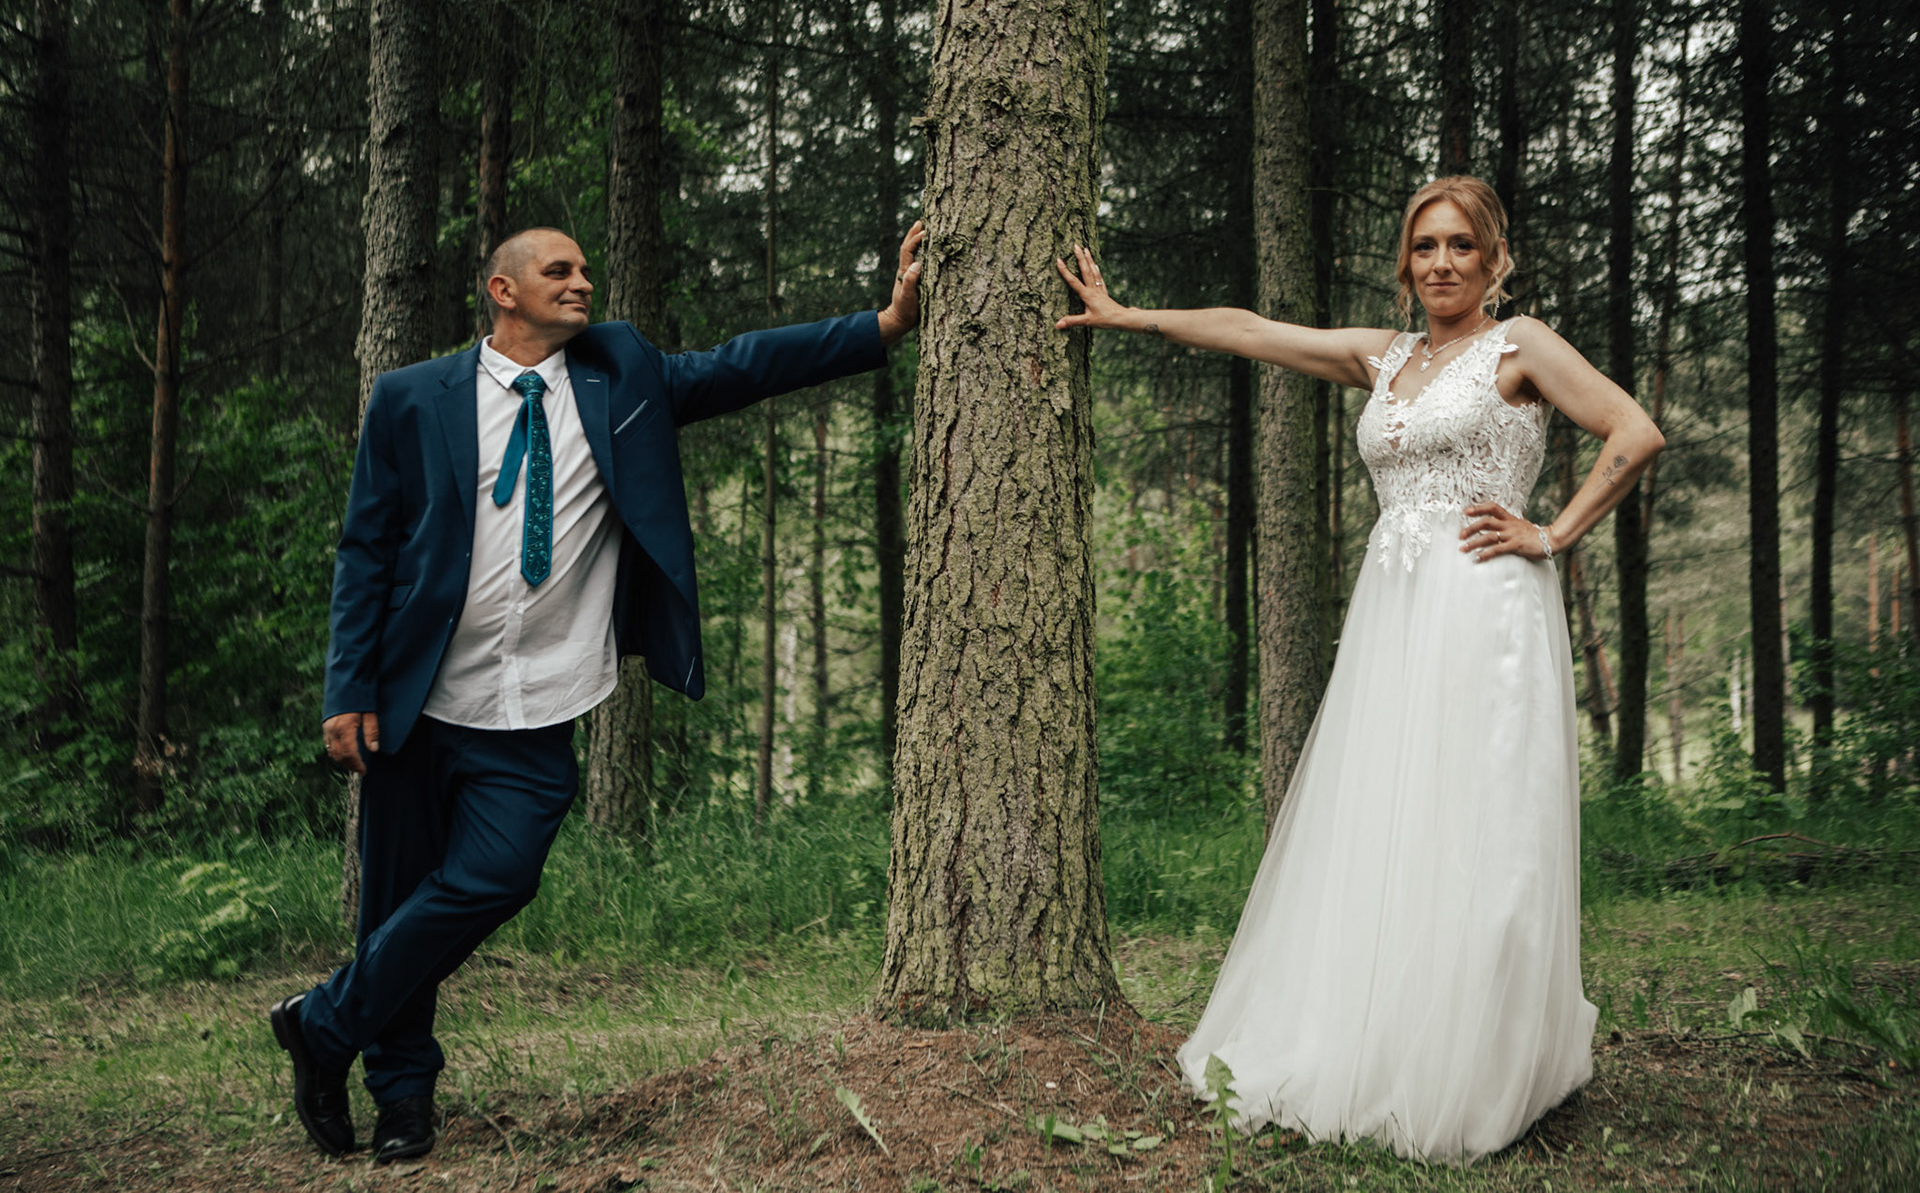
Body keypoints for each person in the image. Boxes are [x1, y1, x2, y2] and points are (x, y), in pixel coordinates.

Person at [273, 222, 925, 1163]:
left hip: (540, 706)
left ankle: (321, 1023)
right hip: (417, 699)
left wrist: (885, 324)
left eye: (585, 269)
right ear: (503, 290)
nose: (583, 282)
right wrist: (349, 688)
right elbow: (365, 549)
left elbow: (744, 365)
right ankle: (402, 1096)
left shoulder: (623, 375)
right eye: (560, 270)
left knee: (498, 877)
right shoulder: (411, 398)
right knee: (398, 906)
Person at [1055, 176, 1662, 1164]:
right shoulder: (1386, 357)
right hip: (1393, 618)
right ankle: (1377, 1033)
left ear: (1494, 259)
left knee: (1476, 825)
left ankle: (1474, 1060)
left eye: (1461, 245)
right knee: (1389, 817)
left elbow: (1634, 432)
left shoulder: (1522, 346)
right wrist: (1130, 317)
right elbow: (1253, 330)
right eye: (1425, 246)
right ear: (1405, 264)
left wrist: (1553, 532)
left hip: (1487, 610)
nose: (1442, 262)